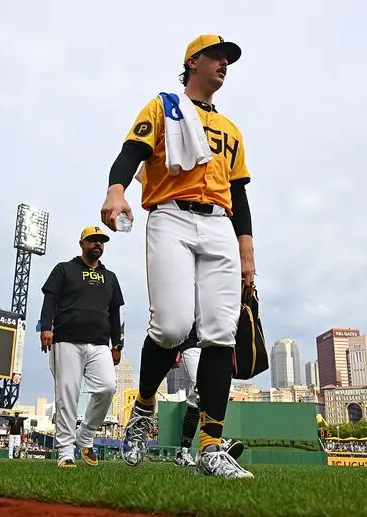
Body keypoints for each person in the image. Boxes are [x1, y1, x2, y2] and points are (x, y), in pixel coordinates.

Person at [100, 34, 256, 479]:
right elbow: (132, 152)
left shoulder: (231, 129)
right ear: (193, 61)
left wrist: (247, 249)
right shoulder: (164, 106)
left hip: (220, 225)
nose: (225, 63)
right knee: (170, 327)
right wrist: (117, 190)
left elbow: (240, 193)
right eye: (217, 56)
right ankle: (144, 407)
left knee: (220, 333)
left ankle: (210, 447)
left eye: (229, 59)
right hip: (171, 214)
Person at [39, 226, 123, 468]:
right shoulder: (65, 269)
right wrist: (46, 327)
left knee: (107, 388)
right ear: (82, 243)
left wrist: (117, 344)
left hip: (100, 342)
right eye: (92, 240)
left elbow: (115, 313)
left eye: (101, 241)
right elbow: (50, 299)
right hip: (66, 339)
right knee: (67, 393)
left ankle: (85, 435)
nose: (97, 244)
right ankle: (65, 451)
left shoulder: (111, 277)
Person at [173, 326, 245, 467]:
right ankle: (213, 443)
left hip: (214, 343)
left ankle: (183, 453)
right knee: (204, 390)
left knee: (195, 399)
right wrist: (174, 348)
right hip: (192, 342)